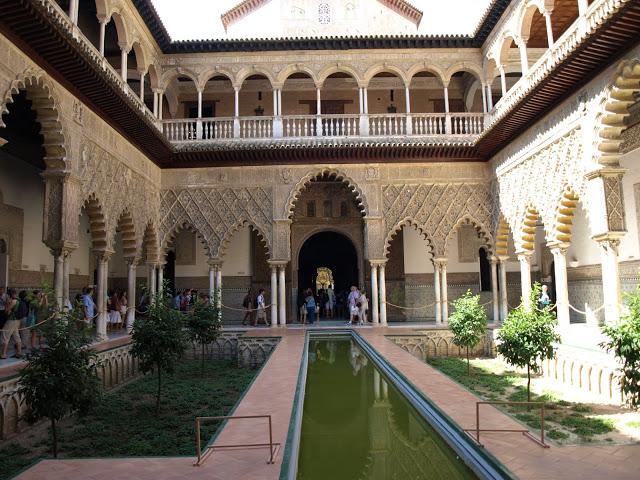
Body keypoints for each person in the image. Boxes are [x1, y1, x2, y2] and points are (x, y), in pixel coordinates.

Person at [1, 289, 23, 359]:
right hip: (17, 321)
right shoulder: (19, 300)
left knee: (5, 336)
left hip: (11, 321)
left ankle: (3, 354)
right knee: (16, 336)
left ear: (9, 295)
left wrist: (7, 303)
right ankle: (19, 353)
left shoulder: (13, 301)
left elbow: (7, 311)